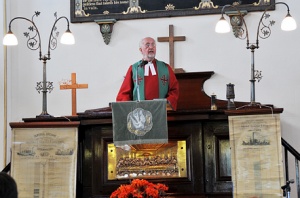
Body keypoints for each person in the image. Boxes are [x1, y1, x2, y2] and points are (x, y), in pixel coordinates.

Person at [116, 37, 179, 110]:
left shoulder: (165, 68)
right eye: (147, 45)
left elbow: (174, 90)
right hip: (139, 113)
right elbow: (124, 94)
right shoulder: (134, 69)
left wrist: (167, 103)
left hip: (161, 111)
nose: (151, 47)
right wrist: (129, 109)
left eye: (153, 45)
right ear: (141, 50)